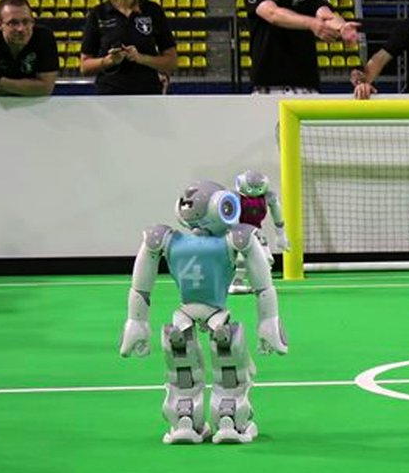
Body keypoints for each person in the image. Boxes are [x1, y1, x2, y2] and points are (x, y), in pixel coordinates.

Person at [119, 180, 288, 444]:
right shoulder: (236, 239)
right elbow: (263, 286)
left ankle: (185, 420)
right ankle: (228, 420)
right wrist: (269, 321)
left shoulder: (167, 240)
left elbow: (141, 287)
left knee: (182, 369)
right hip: (217, 315)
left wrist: (136, 321)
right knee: (228, 366)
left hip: (183, 316)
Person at [80, 0, 177, 95]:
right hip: (109, 97)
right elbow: (85, 66)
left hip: (148, 96)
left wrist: (141, 58)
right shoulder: (97, 13)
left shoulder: (153, 11)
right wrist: (109, 61)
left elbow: (171, 62)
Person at [0, 0, 58, 96]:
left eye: (26, 21)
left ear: (33, 22)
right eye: (13, 23)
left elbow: (45, 88)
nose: (21, 29)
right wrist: (25, 89)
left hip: (34, 106)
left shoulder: (44, 38)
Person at [229, 170, 290, 295]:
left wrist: (281, 235)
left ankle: (262, 283)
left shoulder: (268, 197)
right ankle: (236, 282)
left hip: (255, 231)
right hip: (237, 230)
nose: (255, 191)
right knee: (240, 259)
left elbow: (277, 215)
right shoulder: (234, 197)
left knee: (266, 258)